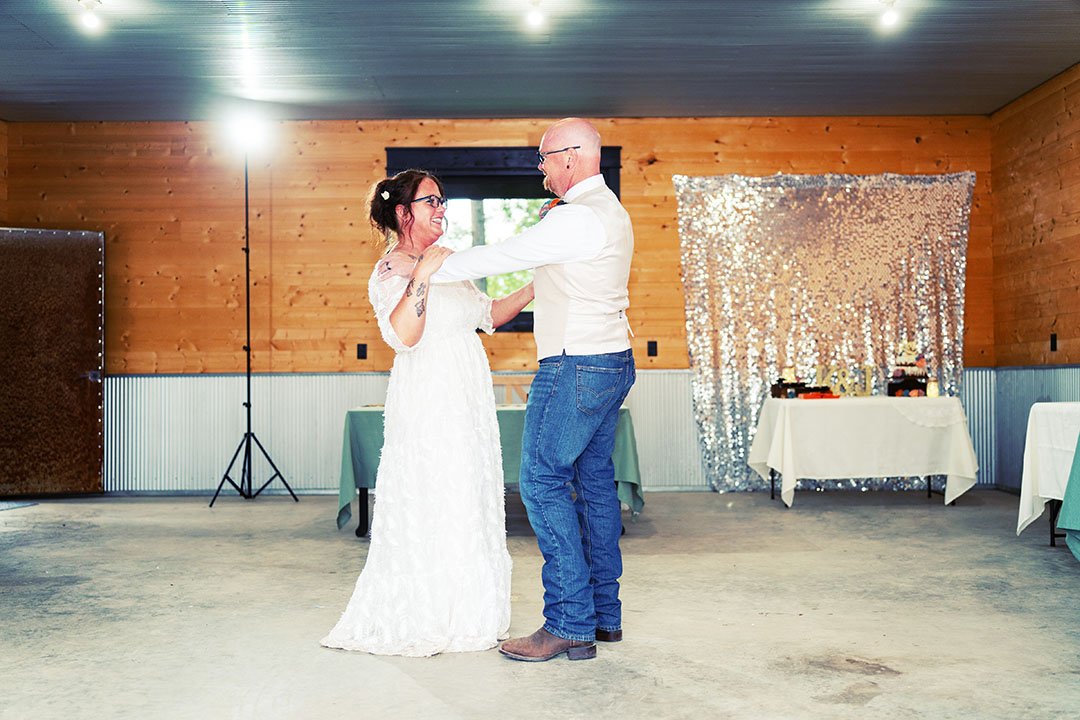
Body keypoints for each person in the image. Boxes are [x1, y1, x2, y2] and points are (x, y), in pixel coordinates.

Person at [431, 118, 636, 662]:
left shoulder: (578, 217)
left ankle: (568, 622)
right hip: (611, 360)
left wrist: (433, 267)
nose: (540, 166)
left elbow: (505, 255)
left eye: (544, 157)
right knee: (594, 486)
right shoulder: (608, 210)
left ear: (570, 156)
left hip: (574, 364)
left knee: (542, 483)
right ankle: (603, 616)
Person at [320, 169, 534, 657]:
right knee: (435, 492)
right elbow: (404, 336)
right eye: (430, 201)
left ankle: (470, 611)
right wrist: (422, 274)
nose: (441, 209)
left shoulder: (452, 262)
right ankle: (428, 612)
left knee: (469, 493)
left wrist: (535, 284)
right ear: (403, 212)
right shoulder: (391, 270)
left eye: (442, 200)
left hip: (467, 394)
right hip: (428, 397)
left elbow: (488, 315)